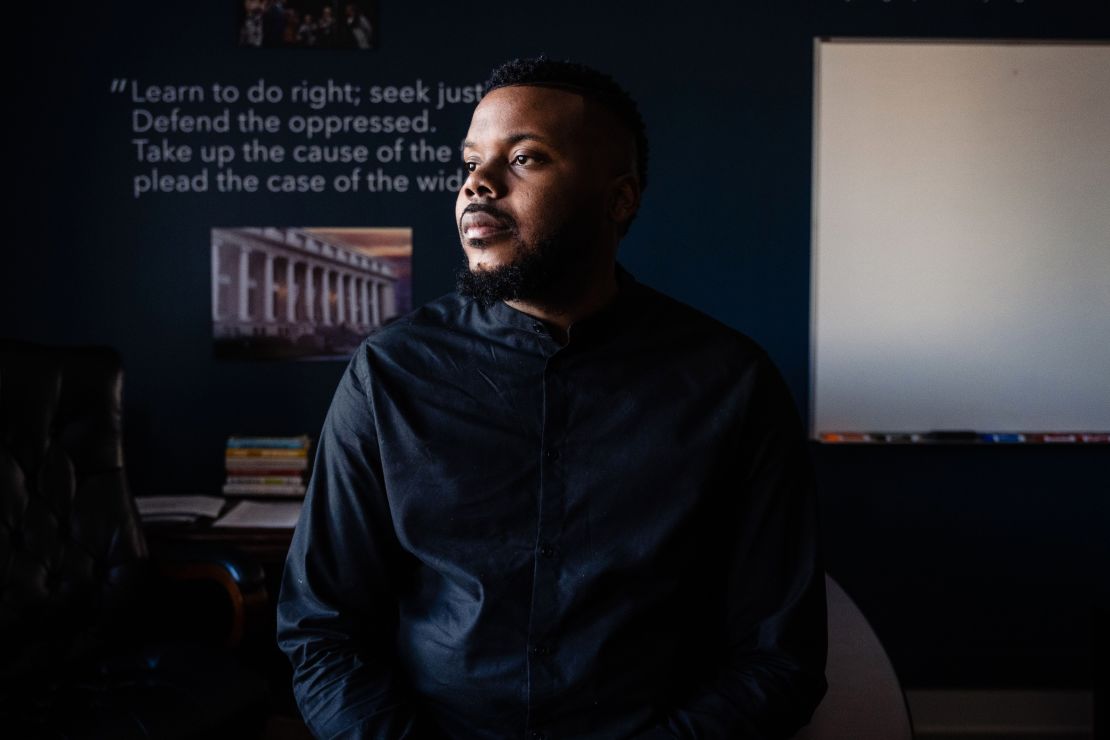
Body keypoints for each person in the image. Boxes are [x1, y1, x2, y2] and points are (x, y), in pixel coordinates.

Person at [277, 57, 827, 739]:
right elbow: (321, 630)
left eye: (526, 158)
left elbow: (780, 657)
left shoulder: (732, 385)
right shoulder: (388, 372)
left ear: (619, 199)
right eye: (471, 162)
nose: (478, 184)